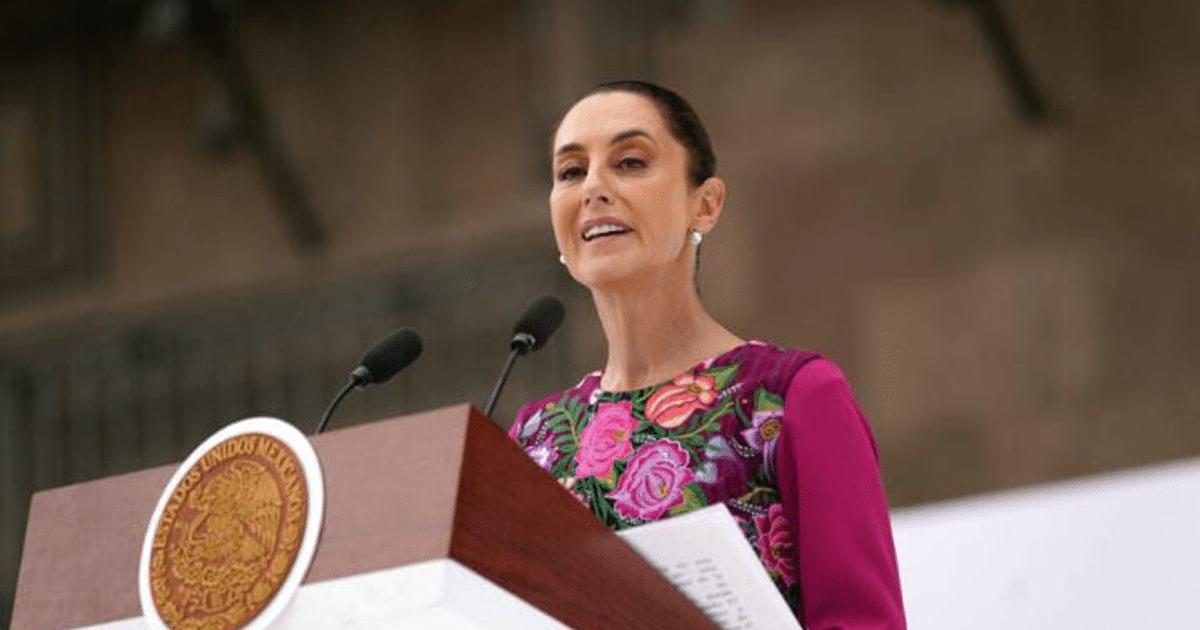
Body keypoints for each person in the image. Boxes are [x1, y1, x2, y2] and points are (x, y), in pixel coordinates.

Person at [507, 80, 906, 629]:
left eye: (629, 162)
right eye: (570, 172)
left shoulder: (790, 398)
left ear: (706, 204)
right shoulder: (535, 438)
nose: (592, 188)